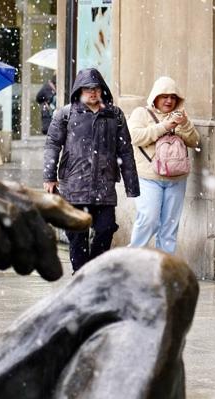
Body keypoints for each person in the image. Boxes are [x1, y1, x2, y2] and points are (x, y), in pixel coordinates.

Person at [43, 67, 139, 272]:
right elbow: (52, 144)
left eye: (96, 88)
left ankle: (92, 268)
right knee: (77, 235)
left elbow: (126, 150)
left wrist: (132, 185)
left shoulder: (114, 115)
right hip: (74, 186)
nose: (92, 92)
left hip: (104, 186)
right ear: (79, 90)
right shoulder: (65, 114)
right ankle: (81, 273)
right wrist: (49, 176)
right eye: (87, 88)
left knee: (106, 229)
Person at [127, 76, 200, 254]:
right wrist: (164, 126)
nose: (169, 100)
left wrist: (185, 124)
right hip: (148, 177)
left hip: (176, 178)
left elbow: (194, 141)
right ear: (155, 96)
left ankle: (164, 269)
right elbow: (134, 137)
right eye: (164, 96)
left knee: (169, 228)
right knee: (148, 220)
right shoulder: (141, 113)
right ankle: (131, 260)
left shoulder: (180, 116)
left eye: (173, 97)